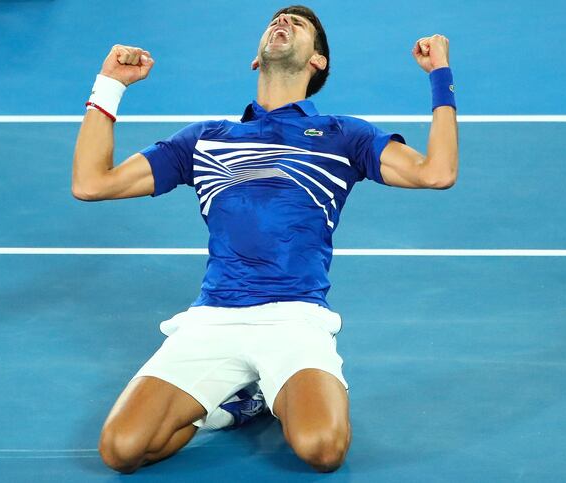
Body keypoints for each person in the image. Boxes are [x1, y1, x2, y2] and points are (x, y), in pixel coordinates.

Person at [72, 4, 458, 474]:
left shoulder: (343, 135)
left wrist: (440, 75)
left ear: (318, 62)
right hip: (212, 320)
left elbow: (437, 173)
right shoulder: (205, 138)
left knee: (322, 449)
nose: (283, 23)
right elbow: (92, 184)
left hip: (294, 320)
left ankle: (266, 392)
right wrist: (110, 83)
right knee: (121, 450)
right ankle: (235, 404)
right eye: (277, 20)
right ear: (257, 59)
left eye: (299, 25)